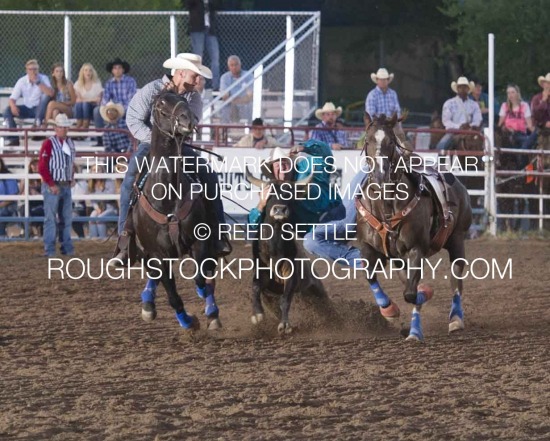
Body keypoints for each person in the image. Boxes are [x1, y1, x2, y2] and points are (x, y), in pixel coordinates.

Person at [112, 52, 230, 264]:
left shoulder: (193, 96)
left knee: (208, 175)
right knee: (129, 180)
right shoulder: (152, 89)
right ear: (181, 73)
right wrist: (157, 140)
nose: (198, 80)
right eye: (195, 75)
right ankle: (125, 241)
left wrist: (172, 140)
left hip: (179, 147)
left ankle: (218, 234)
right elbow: (133, 119)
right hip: (151, 146)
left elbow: (191, 123)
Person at [248, 142, 344, 235]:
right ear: (272, 170)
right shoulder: (274, 189)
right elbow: (252, 225)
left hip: (333, 213)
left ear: (292, 164)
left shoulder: (307, 167)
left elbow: (326, 156)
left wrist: (305, 147)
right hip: (309, 230)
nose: (281, 167)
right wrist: (261, 205)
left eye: (285, 163)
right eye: (277, 165)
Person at [37, 114, 76, 257]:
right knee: (52, 218)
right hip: (53, 185)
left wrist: (72, 177)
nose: (63, 129)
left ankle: (65, 247)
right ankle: (51, 249)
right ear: (56, 128)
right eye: (61, 127)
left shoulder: (70, 143)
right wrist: (51, 183)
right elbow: (42, 166)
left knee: (65, 218)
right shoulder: (49, 143)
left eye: (65, 127)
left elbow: (71, 164)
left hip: (64, 184)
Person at [3, 59, 54, 146]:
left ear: (38, 70)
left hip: (40, 109)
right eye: (30, 69)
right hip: (27, 108)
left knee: (45, 96)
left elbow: (51, 93)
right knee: (7, 110)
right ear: (26, 70)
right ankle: (13, 138)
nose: (33, 71)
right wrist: (13, 106)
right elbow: (12, 98)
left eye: (35, 69)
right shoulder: (22, 81)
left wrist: (38, 82)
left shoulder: (43, 78)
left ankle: (37, 124)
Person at [92, 58, 137, 147]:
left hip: (126, 108)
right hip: (113, 108)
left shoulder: (130, 81)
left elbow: (131, 99)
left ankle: (126, 138)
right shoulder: (109, 83)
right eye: (115, 68)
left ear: (123, 70)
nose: (117, 70)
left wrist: (121, 109)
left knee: (128, 111)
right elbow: (105, 99)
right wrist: (106, 107)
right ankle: (100, 138)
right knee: (97, 111)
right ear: (112, 70)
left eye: (119, 68)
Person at [436, 76, 482, 151]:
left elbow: (478, 120)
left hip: (470, 132)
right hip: (453, 132)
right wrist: (459, 126)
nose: (463, 89)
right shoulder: (449, 103)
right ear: (457, 89)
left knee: (483, 145)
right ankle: (441, 162)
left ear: (468, 89)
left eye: (465, 87)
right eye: (461, 87)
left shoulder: (474, 104)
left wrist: (469, 127)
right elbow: (446, 121)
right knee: (441, 147)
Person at [185, 0, 221, 90]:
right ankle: (197, 85)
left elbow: (218, 5)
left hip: (211, 30)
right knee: (198, 58)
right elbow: (187, 4)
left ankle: (215, 86)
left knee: (215, 58)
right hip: (197, 29)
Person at [498, 84, 535, 167]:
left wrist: (535, 133)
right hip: (507, 133)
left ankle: (523, 167)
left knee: (525, 145)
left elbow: (529, 125)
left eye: (512, 92)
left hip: (520, 133)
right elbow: (500, 123)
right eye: (508, 93)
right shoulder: (504, 106)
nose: (510, 95)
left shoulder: (524, 105)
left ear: (518, 93)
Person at [219, 55, 253, 124]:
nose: (234, 67)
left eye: (236, 64)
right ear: (229, 67)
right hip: (231, 104)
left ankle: (250, 129)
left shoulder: (248, 75)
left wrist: (238, 101)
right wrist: (234, 102)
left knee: (250, 106)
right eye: (232, 65)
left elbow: (251, 96)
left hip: (245, 104)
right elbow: (225, 96)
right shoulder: (224, 77)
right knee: (225, 106)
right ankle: (224, 130)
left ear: (240, 65)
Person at [87, 165, 117, 239]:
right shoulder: (91, 184)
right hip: (98, 207)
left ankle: (103, 239)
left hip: (110, 208)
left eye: (98, 170)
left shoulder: (108, 181)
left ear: (102, 171)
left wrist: (101, 192)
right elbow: (92, 200)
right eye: (94, 170)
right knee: (92, 217)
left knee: (100, 218)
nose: (96, 172)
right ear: (91, 172)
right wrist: (97, 208)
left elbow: (111, 195)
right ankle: (94, 239)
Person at [73, 63, 103, 132]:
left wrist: (85, 100)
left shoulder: (97, 83)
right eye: (85, 70)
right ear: (82, 72)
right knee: (81, 104)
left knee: (85, 104)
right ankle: (79, 123)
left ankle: (85, 125)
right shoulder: (78, 84)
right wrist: (91, 99)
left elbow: (98, 100)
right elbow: (78, 100)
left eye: (90, 70)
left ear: (93, 72)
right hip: (80, 108)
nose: (88, 72)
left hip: (93, 107)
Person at [0, 157, 20, 239]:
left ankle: (1, 237)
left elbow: (13, 196)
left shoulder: (8, 176)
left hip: (8, 205)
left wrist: (1, 205)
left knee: (1, 213)